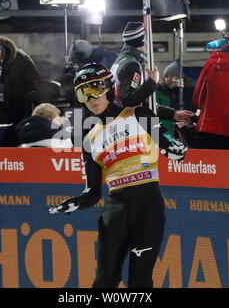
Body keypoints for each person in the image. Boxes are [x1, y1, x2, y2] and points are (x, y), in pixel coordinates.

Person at [48, 63, 187, 288]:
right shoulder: (88, 136)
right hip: (115, 212)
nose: (93, 98)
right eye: (85, 92)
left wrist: (176, 150)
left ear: (110, 88)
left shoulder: (139, 114)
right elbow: (92, 193)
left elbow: (170, 144)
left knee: (140, 282)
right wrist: (75, 202)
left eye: (97, 89)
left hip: (148, 209)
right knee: (104, 282)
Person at [111, 22, 194, 126]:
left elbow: (140, 104)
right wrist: (152, 82)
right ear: (143, 41)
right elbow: (129, 101)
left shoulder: (122, 60)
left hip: (120, 123)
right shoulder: (131, 64)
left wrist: (172, 114)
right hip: (127, 126)